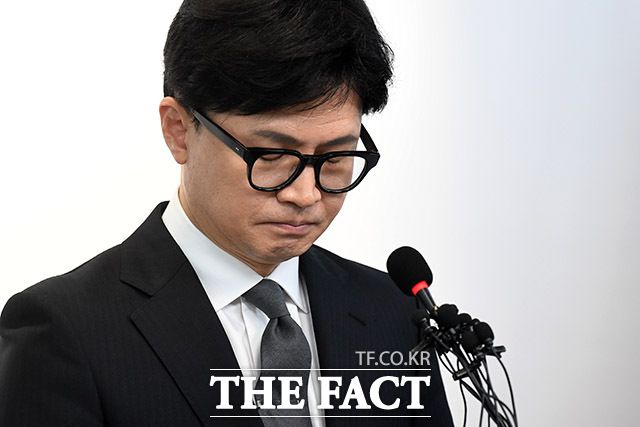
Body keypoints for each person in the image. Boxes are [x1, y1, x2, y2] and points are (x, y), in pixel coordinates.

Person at [0, 0, 453, 426]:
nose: (305, 194)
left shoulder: (395, 311)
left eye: (336, 157)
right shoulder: (64, 332)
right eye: (271, 155)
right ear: (179, 130)